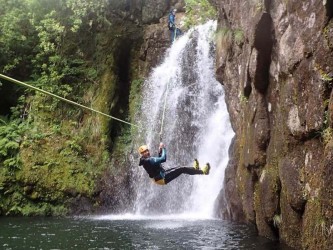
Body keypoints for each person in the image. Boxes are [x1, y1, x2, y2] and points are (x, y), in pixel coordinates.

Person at [138, 143, 210, 185]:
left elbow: (158, 162)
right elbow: (163, 159)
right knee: (182, 169)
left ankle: (195, 169)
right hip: (162, 178)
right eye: (144, 152)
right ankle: (203, 172)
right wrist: (163, 148)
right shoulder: (149, 160)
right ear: (141, 154)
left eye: (147, 150)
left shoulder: (145, 160)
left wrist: (160, 151)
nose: (146, 152)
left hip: (161, 175)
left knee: (181, 168)